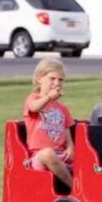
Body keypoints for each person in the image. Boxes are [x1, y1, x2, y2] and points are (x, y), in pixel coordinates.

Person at [23, 58, 74, 188]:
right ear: (40, 78)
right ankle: (74, 188)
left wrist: (70, 147)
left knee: (85, 160)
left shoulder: (63, 109)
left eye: (61, 80)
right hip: (38, 157)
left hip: (61, 156)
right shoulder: (33, 98)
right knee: (48, 153)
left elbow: (66, 131)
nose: (57, 83)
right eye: (52, 78)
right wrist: (49, 97)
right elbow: (34, 108)